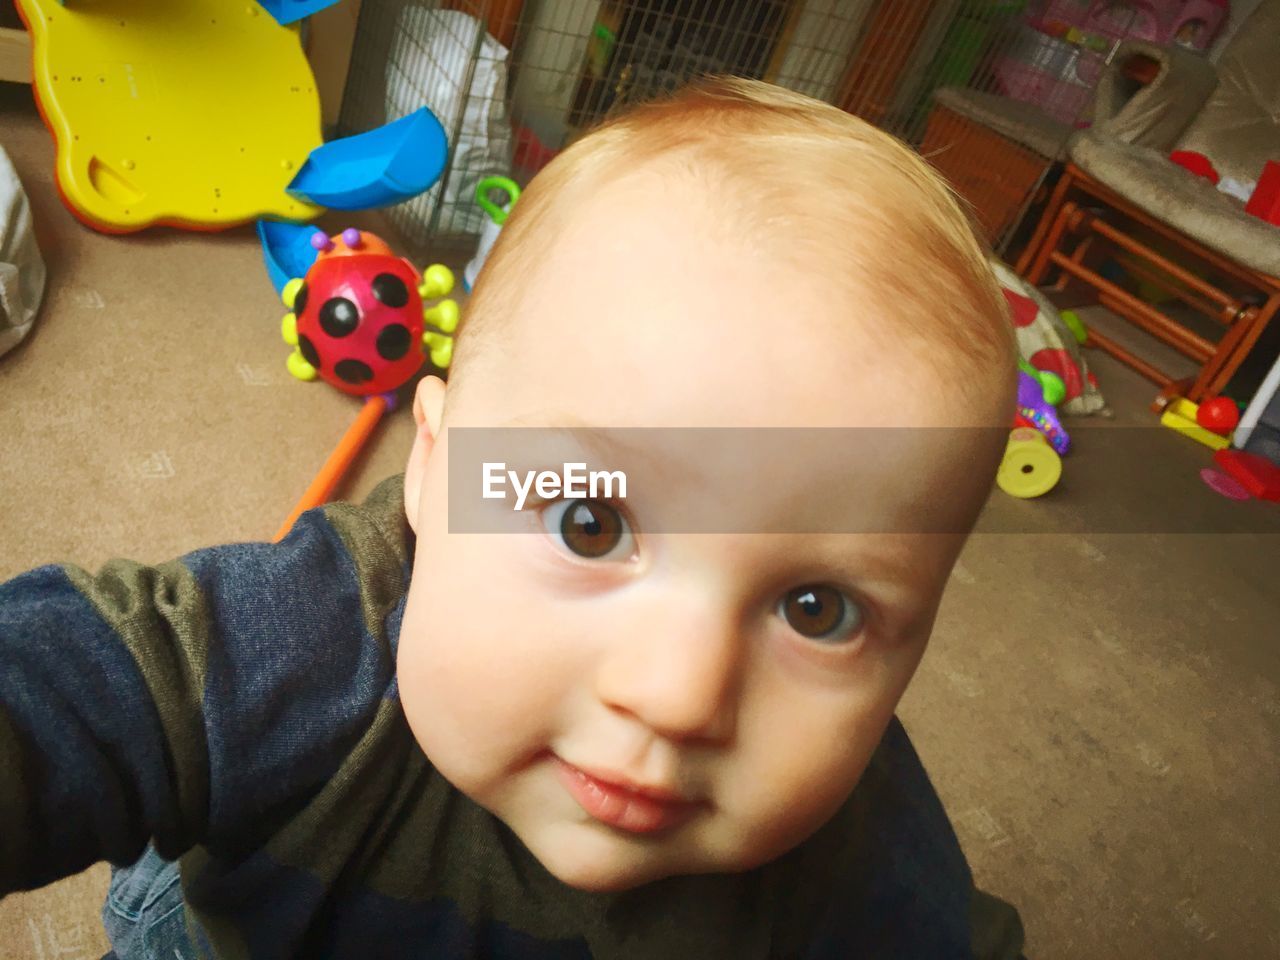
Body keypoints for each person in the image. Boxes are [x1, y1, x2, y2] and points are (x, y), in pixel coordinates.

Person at [0, 78, 1027, 958]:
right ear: (438, 473)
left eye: (816, 608)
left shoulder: (854, 849)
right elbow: (77, 688)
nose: (676, 697)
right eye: (588, 524)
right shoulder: (307, 647)